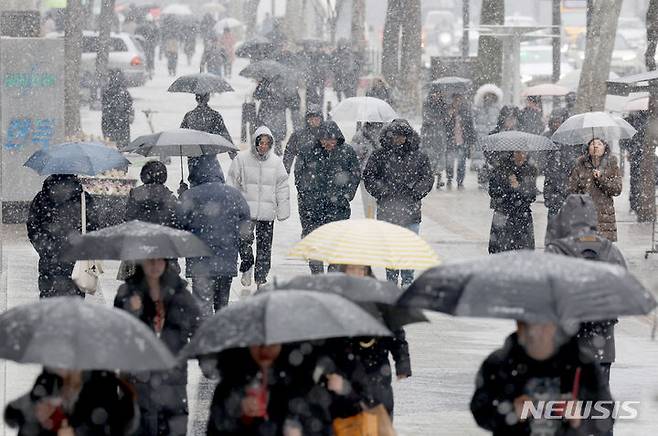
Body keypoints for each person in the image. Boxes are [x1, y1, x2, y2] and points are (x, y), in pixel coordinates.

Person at [470, 321, 613, 435]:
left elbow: (607, 414)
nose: (535, 332)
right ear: (519, 325)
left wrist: (580, 416)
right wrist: (510, 410)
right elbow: (480, 409)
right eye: (527, 324)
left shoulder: (580, 363)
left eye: (544, 325)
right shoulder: (501, 363)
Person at [545, 194, 626, 395]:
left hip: (566, 346)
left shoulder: (557, 251)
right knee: (598, 408)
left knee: (566, 410)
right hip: (603, 346)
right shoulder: (611, 251)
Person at [115, 259, 201, 436]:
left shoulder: (181, 295)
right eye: (150, 260)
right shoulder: (128, 293)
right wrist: (133, 312)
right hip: (137, 383)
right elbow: (118, 336)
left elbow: (197, 332)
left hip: (172, 385)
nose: (154, 265)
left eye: (159, 260)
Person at [328, 264, 412, 418]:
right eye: (352, 269)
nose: (357, 274)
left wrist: (403, 363)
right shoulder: (336, 298)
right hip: (345, 371)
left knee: (379, 417)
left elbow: (396, 334)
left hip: (376, 369)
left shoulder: (379, 297)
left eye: (361, 270)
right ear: (344, 271)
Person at [177, 155, 251, 317]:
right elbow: (245, 226)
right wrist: (246, 254)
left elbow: (179, 226)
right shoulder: (234, 195)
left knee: (202, 307)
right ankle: (219, 337)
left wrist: (182, 197)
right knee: (222, 307)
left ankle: (205, 338)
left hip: (200, 263)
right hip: (226, 260)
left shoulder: (190, 196)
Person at [363, 119, 433, 286]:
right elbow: (369, 177)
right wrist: (383, 191)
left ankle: (408, 281)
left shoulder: (419, 156)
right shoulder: (379, 156)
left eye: (403, 136)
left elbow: (427, 178)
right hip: (388, 210)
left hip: (411, 211)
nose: (399, 139)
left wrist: (415, 192)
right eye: (396, 136)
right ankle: (392, 281)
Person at [207, 345, 331, 435]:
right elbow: (216, 426)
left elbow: (320, 423)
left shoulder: (300, 380)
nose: (264, 349)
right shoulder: (232, 382)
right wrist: (237, 411)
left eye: (273, 343)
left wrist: (299, 428)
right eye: (257, 341)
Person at [294, 121, 360, 274]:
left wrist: (347, 195)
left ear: (338, 139)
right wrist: (307, 197)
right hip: (312, 209)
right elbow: (299, 176)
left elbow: (355, 175)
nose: (328, 143)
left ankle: (332, 277)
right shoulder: (307, 151)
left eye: (332, 139)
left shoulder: (347, 152)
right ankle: (318, 277)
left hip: (338, 208)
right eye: (324, 139)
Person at [228, 126, 290, 289]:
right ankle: (247, 266)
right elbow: (232, 182)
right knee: (244, 242)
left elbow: (282, 186)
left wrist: (283, 208)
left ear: (271, 144)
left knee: (264, 246)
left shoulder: (276, 162)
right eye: (260, 142)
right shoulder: (241, 159)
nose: (263, 146)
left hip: (267, 212)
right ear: (255, 142)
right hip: (245, 211)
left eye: (267, 143)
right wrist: (232, 205)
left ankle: (261, 277)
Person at [5, 369, 138, 435]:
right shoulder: (48, 380)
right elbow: (16, 415)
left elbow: (118, 426)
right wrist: (36, 414)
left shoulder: (102, 383)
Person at [27, 175, 99, 299]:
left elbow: (33, 226)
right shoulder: (83, 198)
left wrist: (44, 248)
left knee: (48, 300)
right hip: (76, 259)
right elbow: (93, 227)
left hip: (49, 259)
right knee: (74, 301)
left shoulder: (42, 197)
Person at [568, 138, 622, 242]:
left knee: (602, 251)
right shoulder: (580, 166)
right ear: (588, 148)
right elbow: (571, 190)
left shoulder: (612, 166)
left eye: (599, 144)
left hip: (605, 218)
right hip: (584, 216)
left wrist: (601, 178)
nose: (595, 146)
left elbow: (617, 189)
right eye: (592, 144)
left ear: (605, 148)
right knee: (586, 248)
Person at [543, 108, 581, 243]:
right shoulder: (547, 137)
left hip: (568, 186)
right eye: (555, 121)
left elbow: (577, 161)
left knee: (568, 224)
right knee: (553, 221)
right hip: (552, 186)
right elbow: (542, 163)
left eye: (559, 121)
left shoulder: (572, 139)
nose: (557, 124)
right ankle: (552, 246)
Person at [180, 93, 236, 184]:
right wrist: (232, 152)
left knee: (196, 187)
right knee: (214, 185)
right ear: (208, 98)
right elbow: (224, 135)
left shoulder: (189, 116)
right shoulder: (215, 115)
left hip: (193, 160)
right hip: (210, 158)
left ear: (196, 98)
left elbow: (181, 137)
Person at [488, 151, 537, 254]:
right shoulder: (500, 168)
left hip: (522, 216)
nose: (522, 156)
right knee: (499, 250)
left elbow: (532, 196)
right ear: (512, 154)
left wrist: (518, 188)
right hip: (502, 214)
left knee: (524, 252)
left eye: (524, 153)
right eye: (518, 153)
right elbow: (493, 192)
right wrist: (508, 186)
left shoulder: (529, 169)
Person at [125, 161, 178, 227]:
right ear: (164, 176)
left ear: (143, 175)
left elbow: (128, 217)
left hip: (139, 232)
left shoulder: (135, 194)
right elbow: (176, 218)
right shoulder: (169, 196)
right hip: (163, 233)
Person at [444, 93, 477, 189]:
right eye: (455, 99)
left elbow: (470, 126)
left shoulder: (465, 110)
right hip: (451, 140)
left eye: (459, 99)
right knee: (449, 161)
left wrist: (471, 140)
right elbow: (444, 124)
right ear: (453, 100)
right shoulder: (448, 110)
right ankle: (449, 179)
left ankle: (460, 181)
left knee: (461, 162)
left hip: (463, 140)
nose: (457, 101)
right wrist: (450, 116)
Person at [472, 84, 503, 186]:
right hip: (481, 136)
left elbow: (499, 121)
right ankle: (482, 178)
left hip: (493, 137)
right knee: (481, 159)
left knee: (492, 159)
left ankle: (491, 179)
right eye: (487, 95)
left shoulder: (498, 109)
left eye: (491, 95)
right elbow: (473, 121)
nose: (489, 98)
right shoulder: (478, 108)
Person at [351, 121, 384, 218]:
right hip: (367, 174)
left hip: (380, 174)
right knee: (369, 202)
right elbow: (353, 153)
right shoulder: (361, 134)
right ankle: (371, 222)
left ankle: (374, 222)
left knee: (379, 203)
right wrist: (361, 149)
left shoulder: (385, 133)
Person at [620, 110, 648, 214]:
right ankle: (635, 204)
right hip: (638, 154)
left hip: (640, 153)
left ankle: (636, 204)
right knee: (636, 179)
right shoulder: (634, 119)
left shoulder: (637, 119)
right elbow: (624, 139)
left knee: (636, 179)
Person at [421, 89, 448, 189]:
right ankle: (429, 179)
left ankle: (439, 179)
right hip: (428, 135)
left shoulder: (443, 105)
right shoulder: (427, 104)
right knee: (429, 158)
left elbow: (446, 119)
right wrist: (437, 120)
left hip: (440, 136)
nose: (436, 96)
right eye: (435, 93)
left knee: (439, 157)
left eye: (438, 93)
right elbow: (426, 118)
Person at [283, 105, 323, 173]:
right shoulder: (298, 135)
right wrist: (285, 171)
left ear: (321, 119)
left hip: (321, 173)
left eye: (316, 119)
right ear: (307, 120)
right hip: (302, 173)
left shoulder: (326, 134)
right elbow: (289, 153)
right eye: (311, 119)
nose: (313, 121)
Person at [254, 78, 288, 155]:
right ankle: (276, 157)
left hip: (268, 114)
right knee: (276, 139)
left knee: (266, 137)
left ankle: (267, 156)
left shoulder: (265, 82)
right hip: (276, 114)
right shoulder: (283, 82)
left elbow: (256, 95)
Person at [101, 69, 133, 148]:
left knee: (111, 143)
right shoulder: (124, 92)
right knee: (122, 144)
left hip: (110, 121)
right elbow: (129, 103)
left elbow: (104, 106)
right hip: (122, 122)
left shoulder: (107, 91)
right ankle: (121, 149)